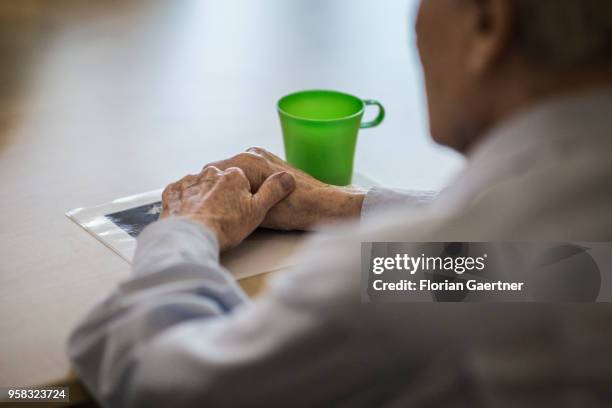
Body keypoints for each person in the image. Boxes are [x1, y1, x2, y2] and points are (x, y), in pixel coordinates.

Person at [68, 0, 612, 406]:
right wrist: (337, 205)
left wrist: (186, 230)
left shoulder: (399, 281)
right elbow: (557, 265)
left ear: (487, 25)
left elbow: (156, 380)